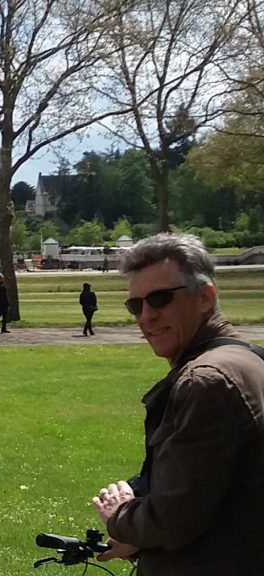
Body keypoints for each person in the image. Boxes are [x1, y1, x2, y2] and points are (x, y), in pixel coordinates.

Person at [90, 233, 264, 574]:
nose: (146, 316)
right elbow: (218, 498)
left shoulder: (206, 381)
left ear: (205, 297)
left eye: (159, 299)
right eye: (135, 305)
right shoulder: (247, 359)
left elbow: (172, 520)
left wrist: (120, 516)